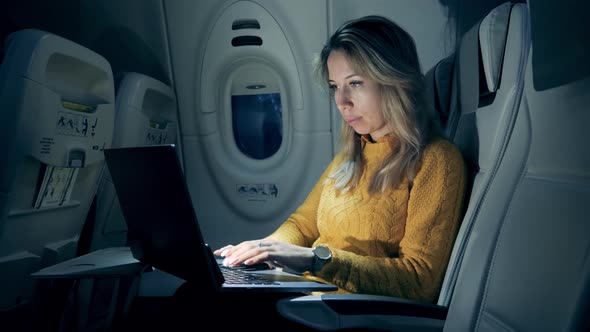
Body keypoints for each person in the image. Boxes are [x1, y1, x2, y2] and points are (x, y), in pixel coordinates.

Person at [152, 15, 466, 332]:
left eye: (355, 83)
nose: (342, 102)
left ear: (394, 80)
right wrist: (264, 250)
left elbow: (419, 279)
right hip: (309, 295)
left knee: (198, 307)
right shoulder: (351, 156)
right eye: (335, 87)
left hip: (347, 313)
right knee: (197, 292)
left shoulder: (436, 160)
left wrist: (315, 259)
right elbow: (302, 223)